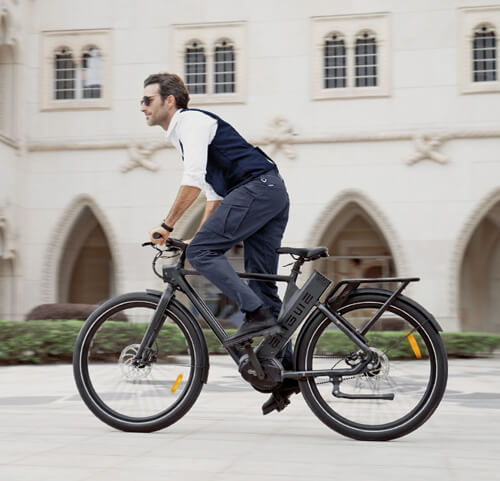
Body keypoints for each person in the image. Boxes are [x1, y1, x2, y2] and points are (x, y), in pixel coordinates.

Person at [141, 72, 299, 414]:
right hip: (269, 193)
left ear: (169, 101)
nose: (142, 107)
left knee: (208, 257)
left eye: (147, 100)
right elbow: (213, 196)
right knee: (263, 286)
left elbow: (194, 181)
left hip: (258, 190)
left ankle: (252, 312)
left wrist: (168, 226)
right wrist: (194, 238)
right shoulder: (183, 135)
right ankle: (287, 374)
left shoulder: (191, 122)